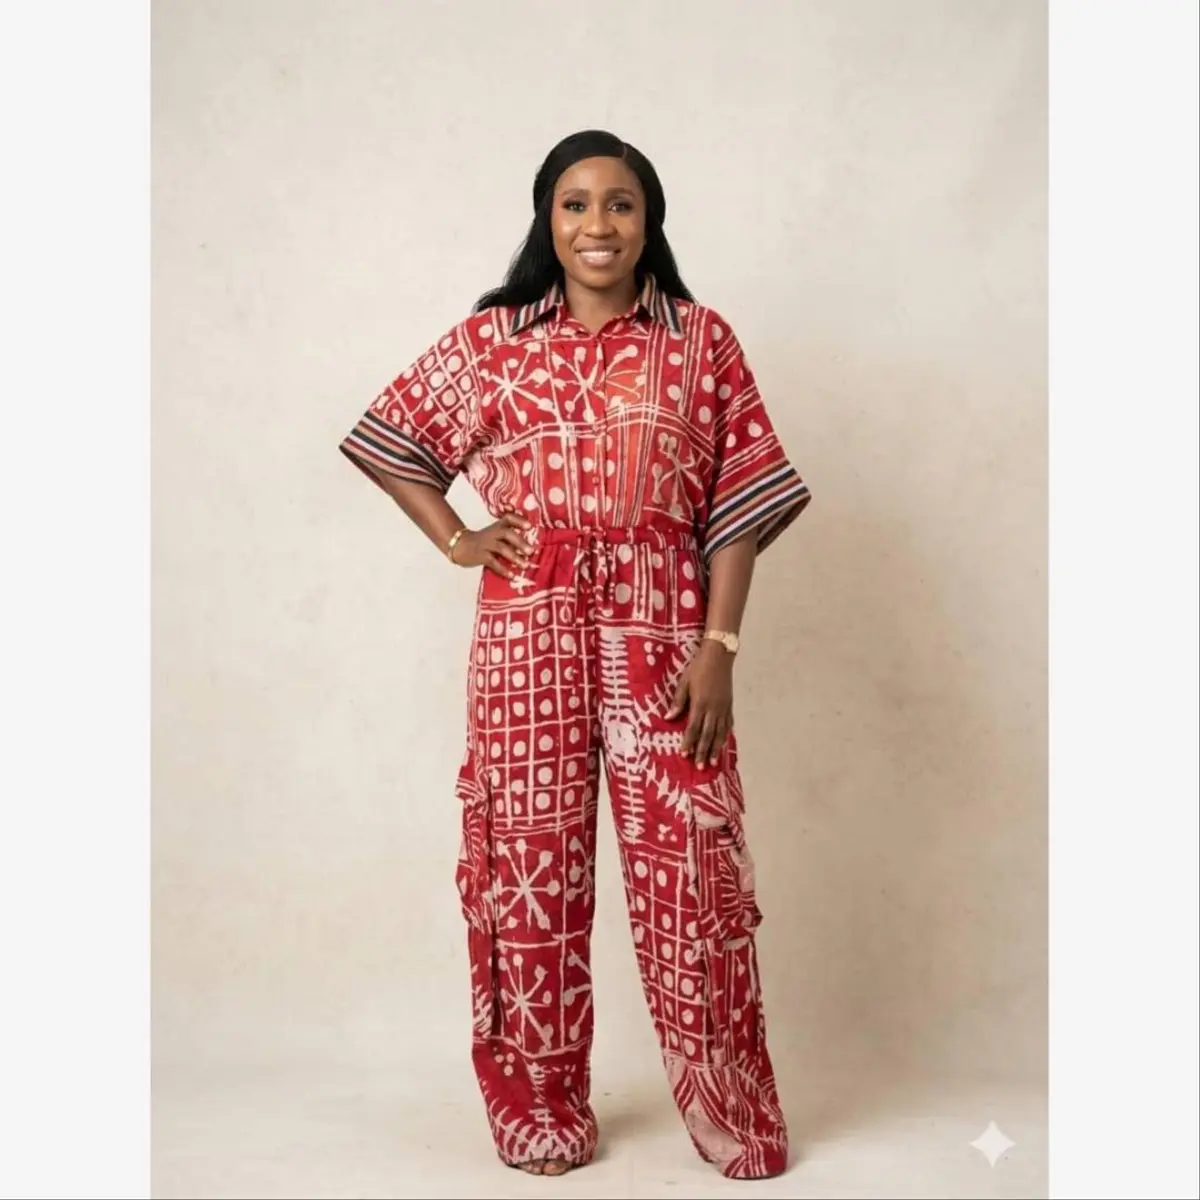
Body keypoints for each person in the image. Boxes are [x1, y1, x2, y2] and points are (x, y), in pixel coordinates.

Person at [338, 129, 811, 1180]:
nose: (599, 225)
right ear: (547, 221)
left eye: (622, 205)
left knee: (694, 874)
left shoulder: (701, 343)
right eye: (576, 205)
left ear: (651, 222)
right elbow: (389, 439)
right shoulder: (494, 340)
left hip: (663, 627)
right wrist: (461, 536)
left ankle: (733, 1115)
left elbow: (738, 505)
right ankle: (540, 1110)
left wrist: (719, 645)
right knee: (526, 871)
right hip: (528, 625)